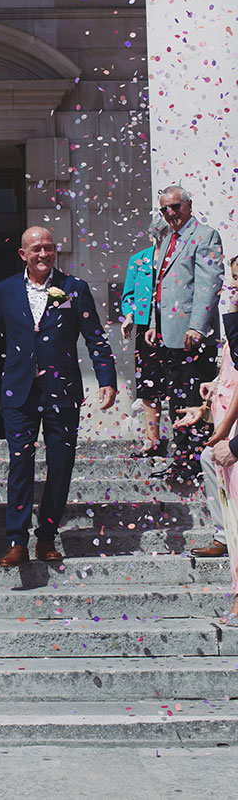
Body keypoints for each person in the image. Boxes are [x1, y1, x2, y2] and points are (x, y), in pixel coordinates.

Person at [0, 225, 117, 567]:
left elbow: (95, 337)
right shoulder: (5, 290)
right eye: (36, 249)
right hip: (18, 392)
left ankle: (46, 537)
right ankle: (16, 540)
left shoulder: (74, 288)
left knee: (60, 465)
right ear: (23, 254)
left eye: (48, 248)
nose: (43, 254)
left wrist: (107, 378)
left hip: (61, 392)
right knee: (20, 462)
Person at [145, 185, 224, 484]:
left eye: (175, 207)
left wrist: (197, 326)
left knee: (193, 398)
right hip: (169, 335)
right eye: (164, 209)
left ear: (189, 205)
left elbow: (208, 284)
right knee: (176, 398)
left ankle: (194, 460)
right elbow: (160, 288)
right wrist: (154, 324)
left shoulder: (204, 236)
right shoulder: (167, 240)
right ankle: (180, 458)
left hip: (193, 335)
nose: (170, 214)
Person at [175, 260, 238, 621]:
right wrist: (207, 400)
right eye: (232, 278)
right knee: (208, 463)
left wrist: (226, 432)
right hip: (225, 414)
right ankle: (223, 534)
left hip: (233, 423)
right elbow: (232, 370)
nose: (233, 285)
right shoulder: (234, 319)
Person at [121, 217, 170, 457]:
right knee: (149, 385)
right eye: (158, 237)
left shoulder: (177, 258)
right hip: (144, 328)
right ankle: (153, 439)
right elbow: (127, 295)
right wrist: (129, 316)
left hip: (173, 326)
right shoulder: (138, 260)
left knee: (176, 382)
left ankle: (184, 440)